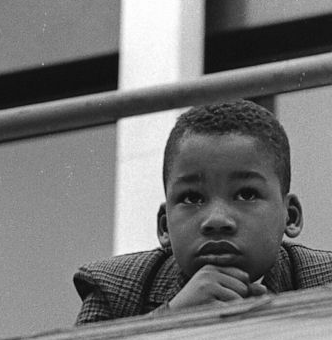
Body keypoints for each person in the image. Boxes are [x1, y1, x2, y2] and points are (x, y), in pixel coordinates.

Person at [74, 99, 332, 324]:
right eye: (192, 198)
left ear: (291, 216)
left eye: (246, 194)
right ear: (165, 227)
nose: (217, 220)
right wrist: (171, 320)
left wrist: (284, 326)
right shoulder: (113, 288)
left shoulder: (325, 281)